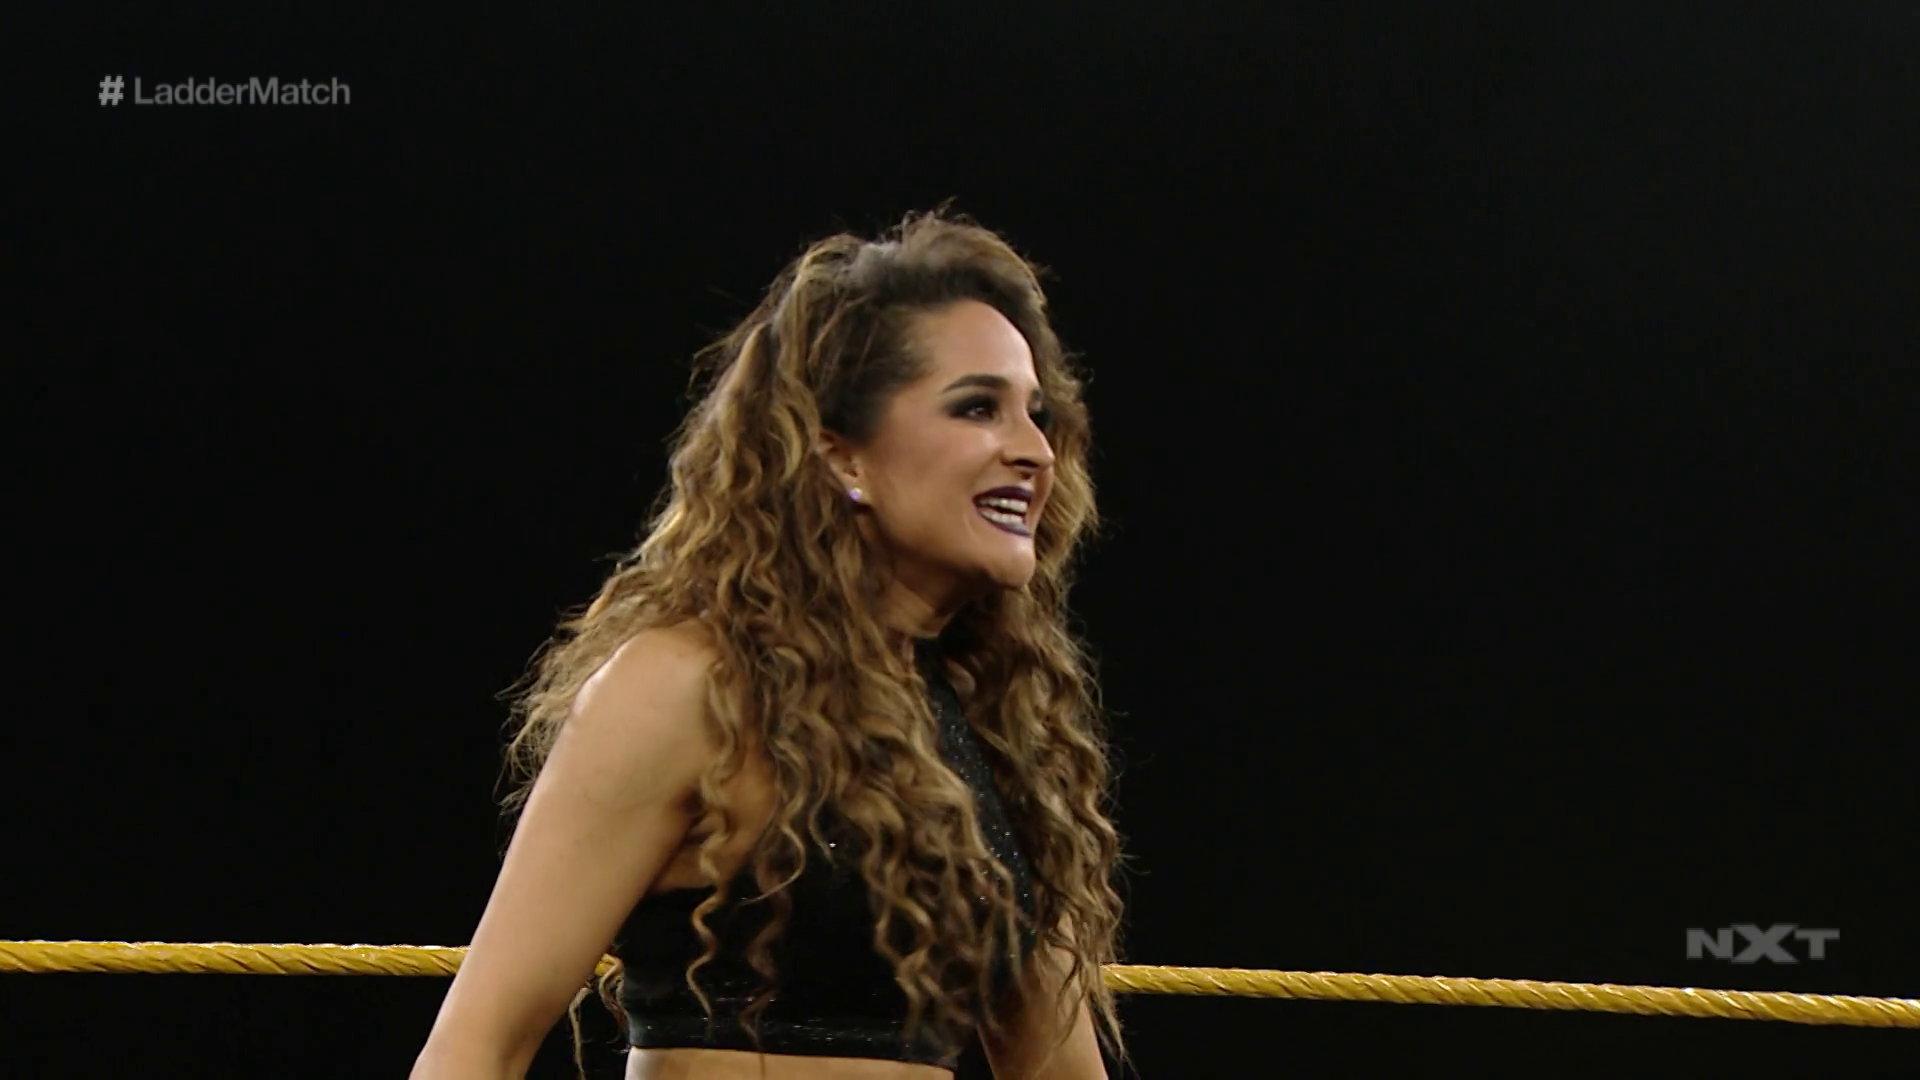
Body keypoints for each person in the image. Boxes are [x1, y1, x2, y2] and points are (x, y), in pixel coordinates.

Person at [410, 208, 1125, 1080]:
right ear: (842, 457)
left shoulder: (995, 729)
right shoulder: (689, 685)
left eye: (1037, 416)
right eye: (978, 407)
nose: (1034, 452)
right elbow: (475, 1047)